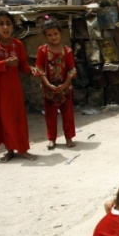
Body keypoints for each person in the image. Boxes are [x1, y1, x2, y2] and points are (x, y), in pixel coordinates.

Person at [0, 9, 38, 162]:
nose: (5, 27)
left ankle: (23, 149)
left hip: (14, 88)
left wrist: (31, 69)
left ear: (13, 26)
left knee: (18, 117)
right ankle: (10, 150)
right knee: (3, 118)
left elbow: (23, 65)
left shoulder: (17, 44)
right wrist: (4, 63)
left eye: (8, 24)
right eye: (1, 24)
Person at [34, 16, 77, 150]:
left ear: (60, 33)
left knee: (67, 114)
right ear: (46, 36)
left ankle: (68, 137)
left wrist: (65, 84)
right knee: (50, 115)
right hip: (49, 89)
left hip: (65, 89)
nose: (53, 37)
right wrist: (48, 84)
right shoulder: (42, 50)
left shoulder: (67, 50)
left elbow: (72, 69)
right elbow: (39, 68)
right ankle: (51, 139)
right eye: (50, 35)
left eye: (55, 34)